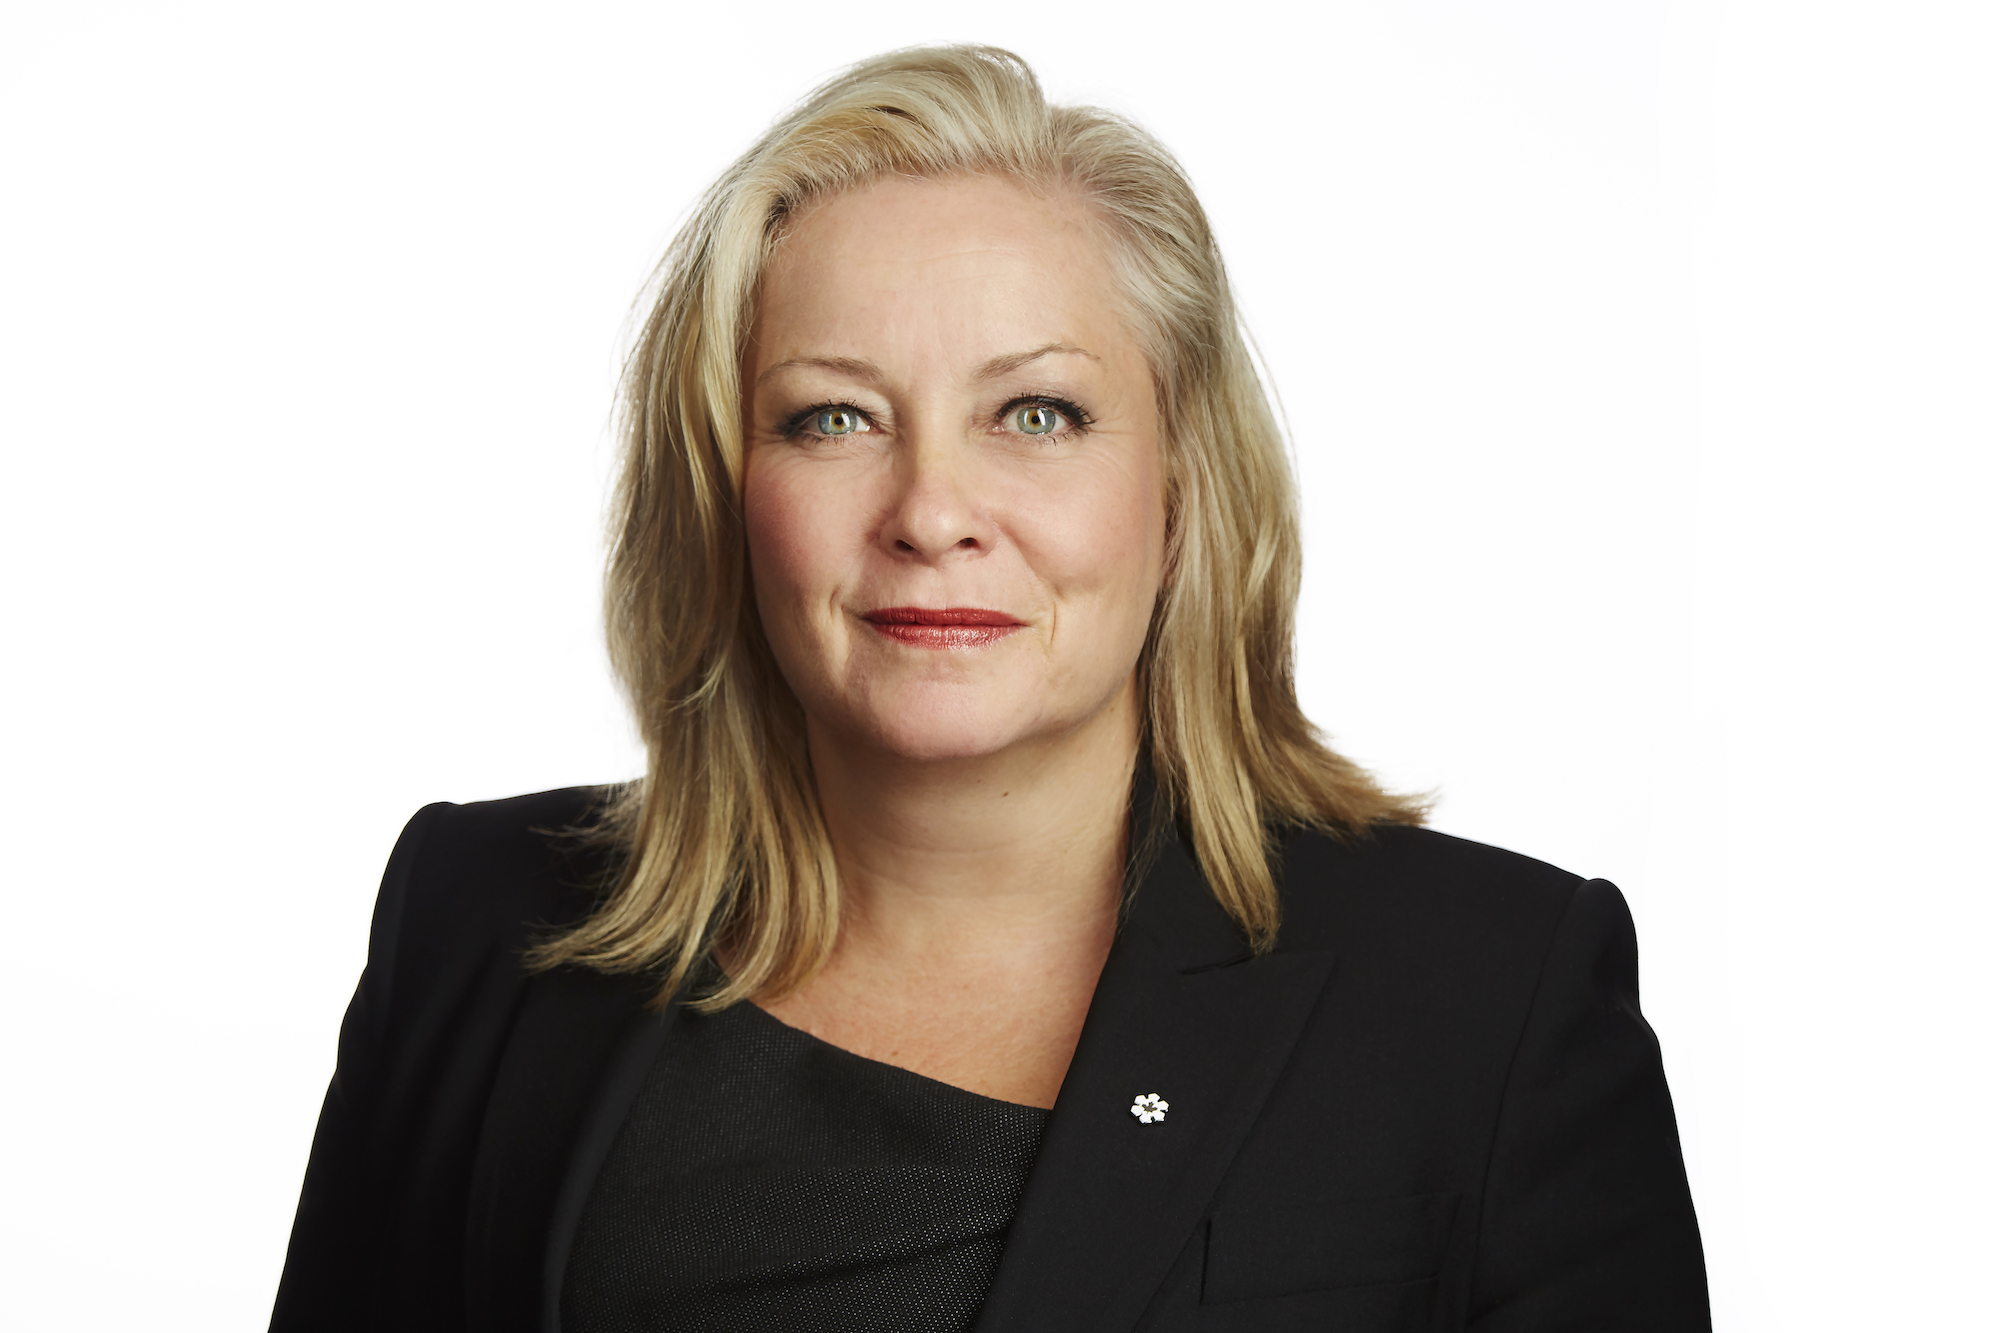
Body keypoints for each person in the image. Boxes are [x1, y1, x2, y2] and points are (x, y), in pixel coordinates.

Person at [271, 44, 1708, 1333]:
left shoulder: (1495, 1000)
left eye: (1037, 413)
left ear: (1183, 488)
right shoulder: (476, 917)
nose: (931, 510)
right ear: (722, 492)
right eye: (834, 417)